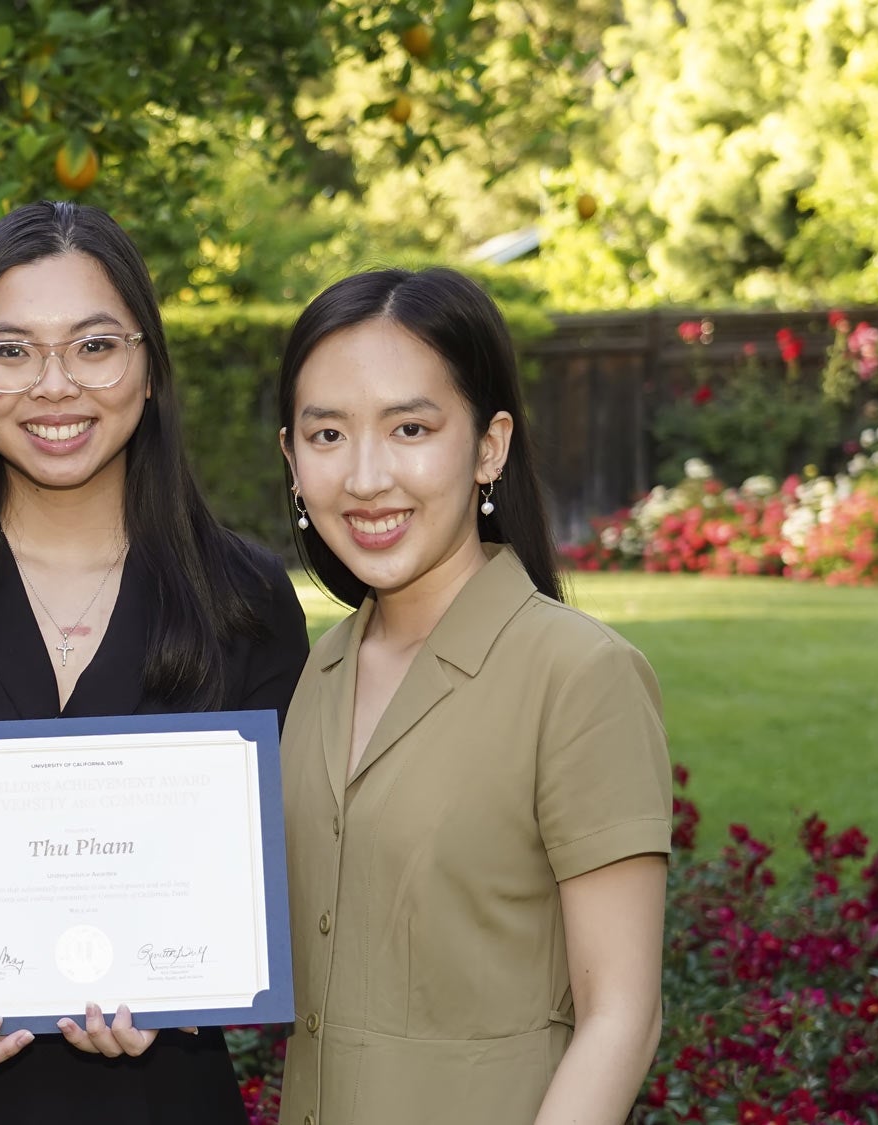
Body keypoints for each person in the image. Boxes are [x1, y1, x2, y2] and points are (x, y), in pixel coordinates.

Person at [0, 200, 308, 1125]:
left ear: (148, 365)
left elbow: (258, 857)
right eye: (10, 350)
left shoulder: (245, 599)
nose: (54, 385)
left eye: (94, 345)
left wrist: (183, 994)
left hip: (157, 1096)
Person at [273, 267, 669, 1125]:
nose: (367, 476)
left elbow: (623, 1017)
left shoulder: (578, 676)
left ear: (489, 446)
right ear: (293, 460)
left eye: (410, 427)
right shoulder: (317, 674)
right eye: (329, 434)